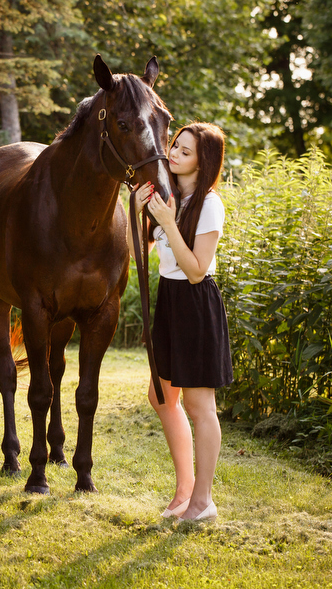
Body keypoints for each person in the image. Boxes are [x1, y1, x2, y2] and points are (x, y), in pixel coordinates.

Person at [127, 122, 233, 521]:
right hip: (170, 301)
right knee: (161, 396)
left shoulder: (208, 204)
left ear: (203, 162)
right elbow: (139, 253)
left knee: (199, 403)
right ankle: (185, 490)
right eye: (175, 145)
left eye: (185, 152)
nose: (173, 154)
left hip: (196, 303)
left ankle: (204, 501)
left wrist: (169, 224)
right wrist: (137, 212)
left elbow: (196, 271)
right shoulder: (168, 197)